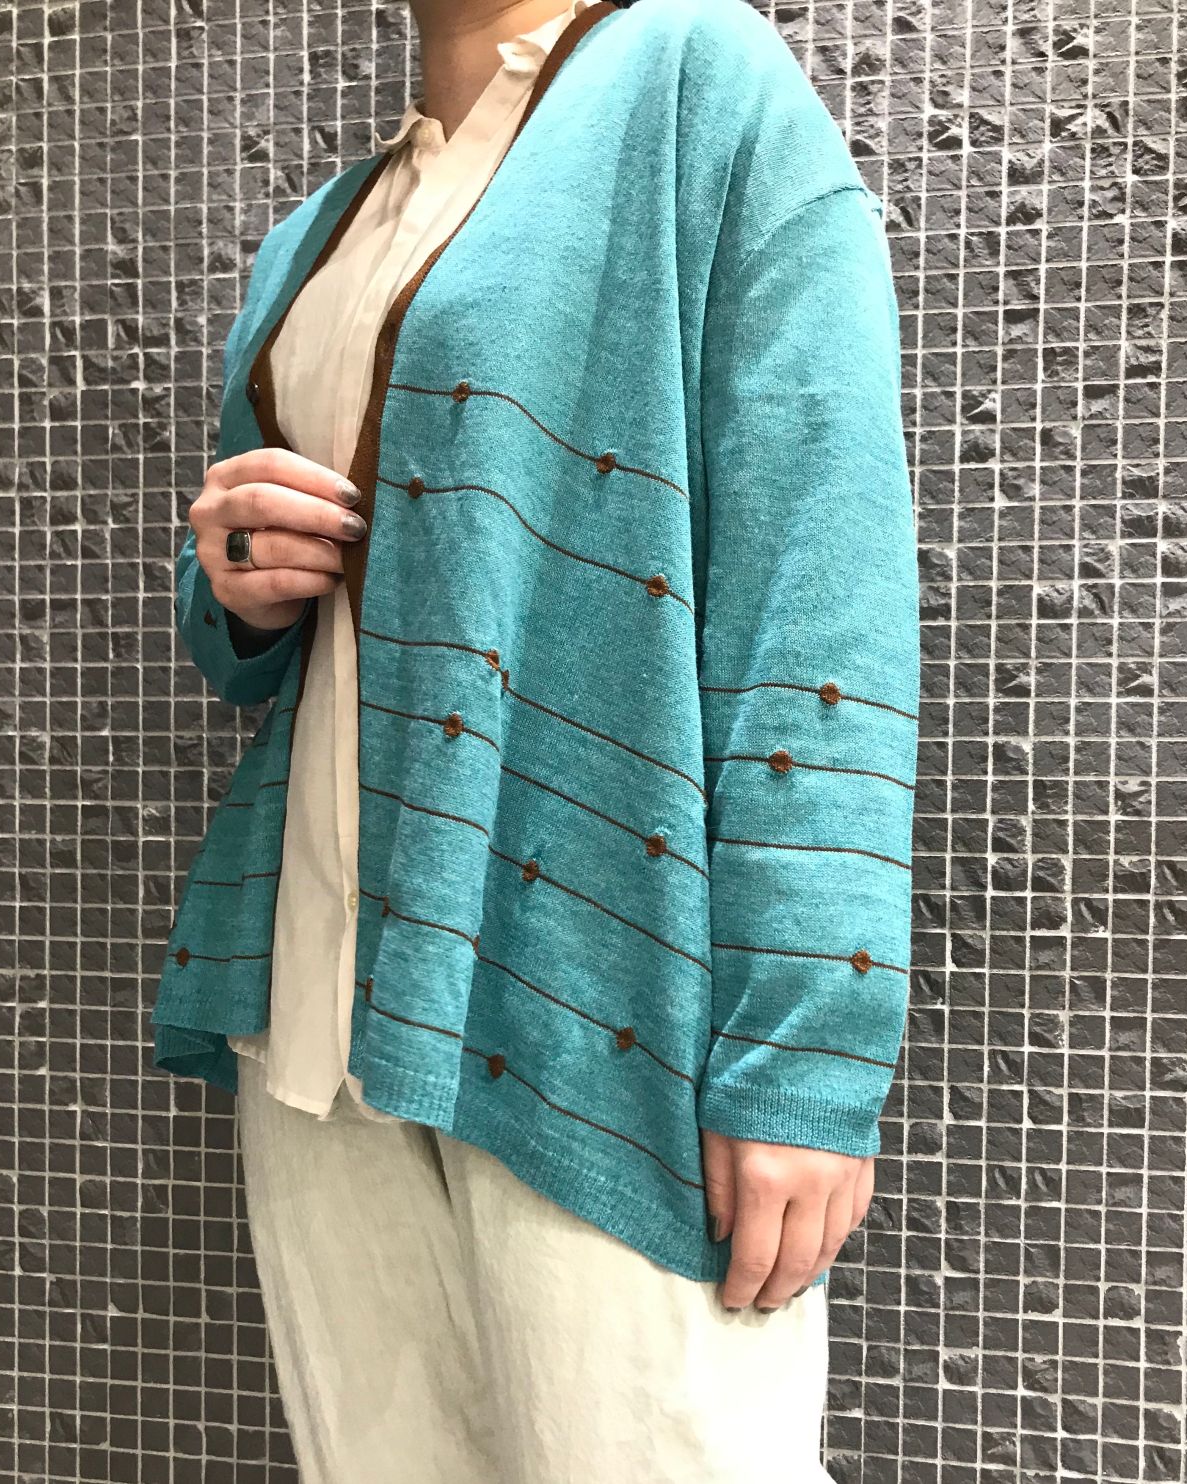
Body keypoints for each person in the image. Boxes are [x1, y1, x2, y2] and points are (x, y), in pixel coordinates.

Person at [149, 0, 920, 1478]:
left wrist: (808, 1047)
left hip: (592, 998)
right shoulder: (324, 229)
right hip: (317, 1007)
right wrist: (232, 574)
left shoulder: (694, 78)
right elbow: (257, 628)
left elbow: (820, 587)